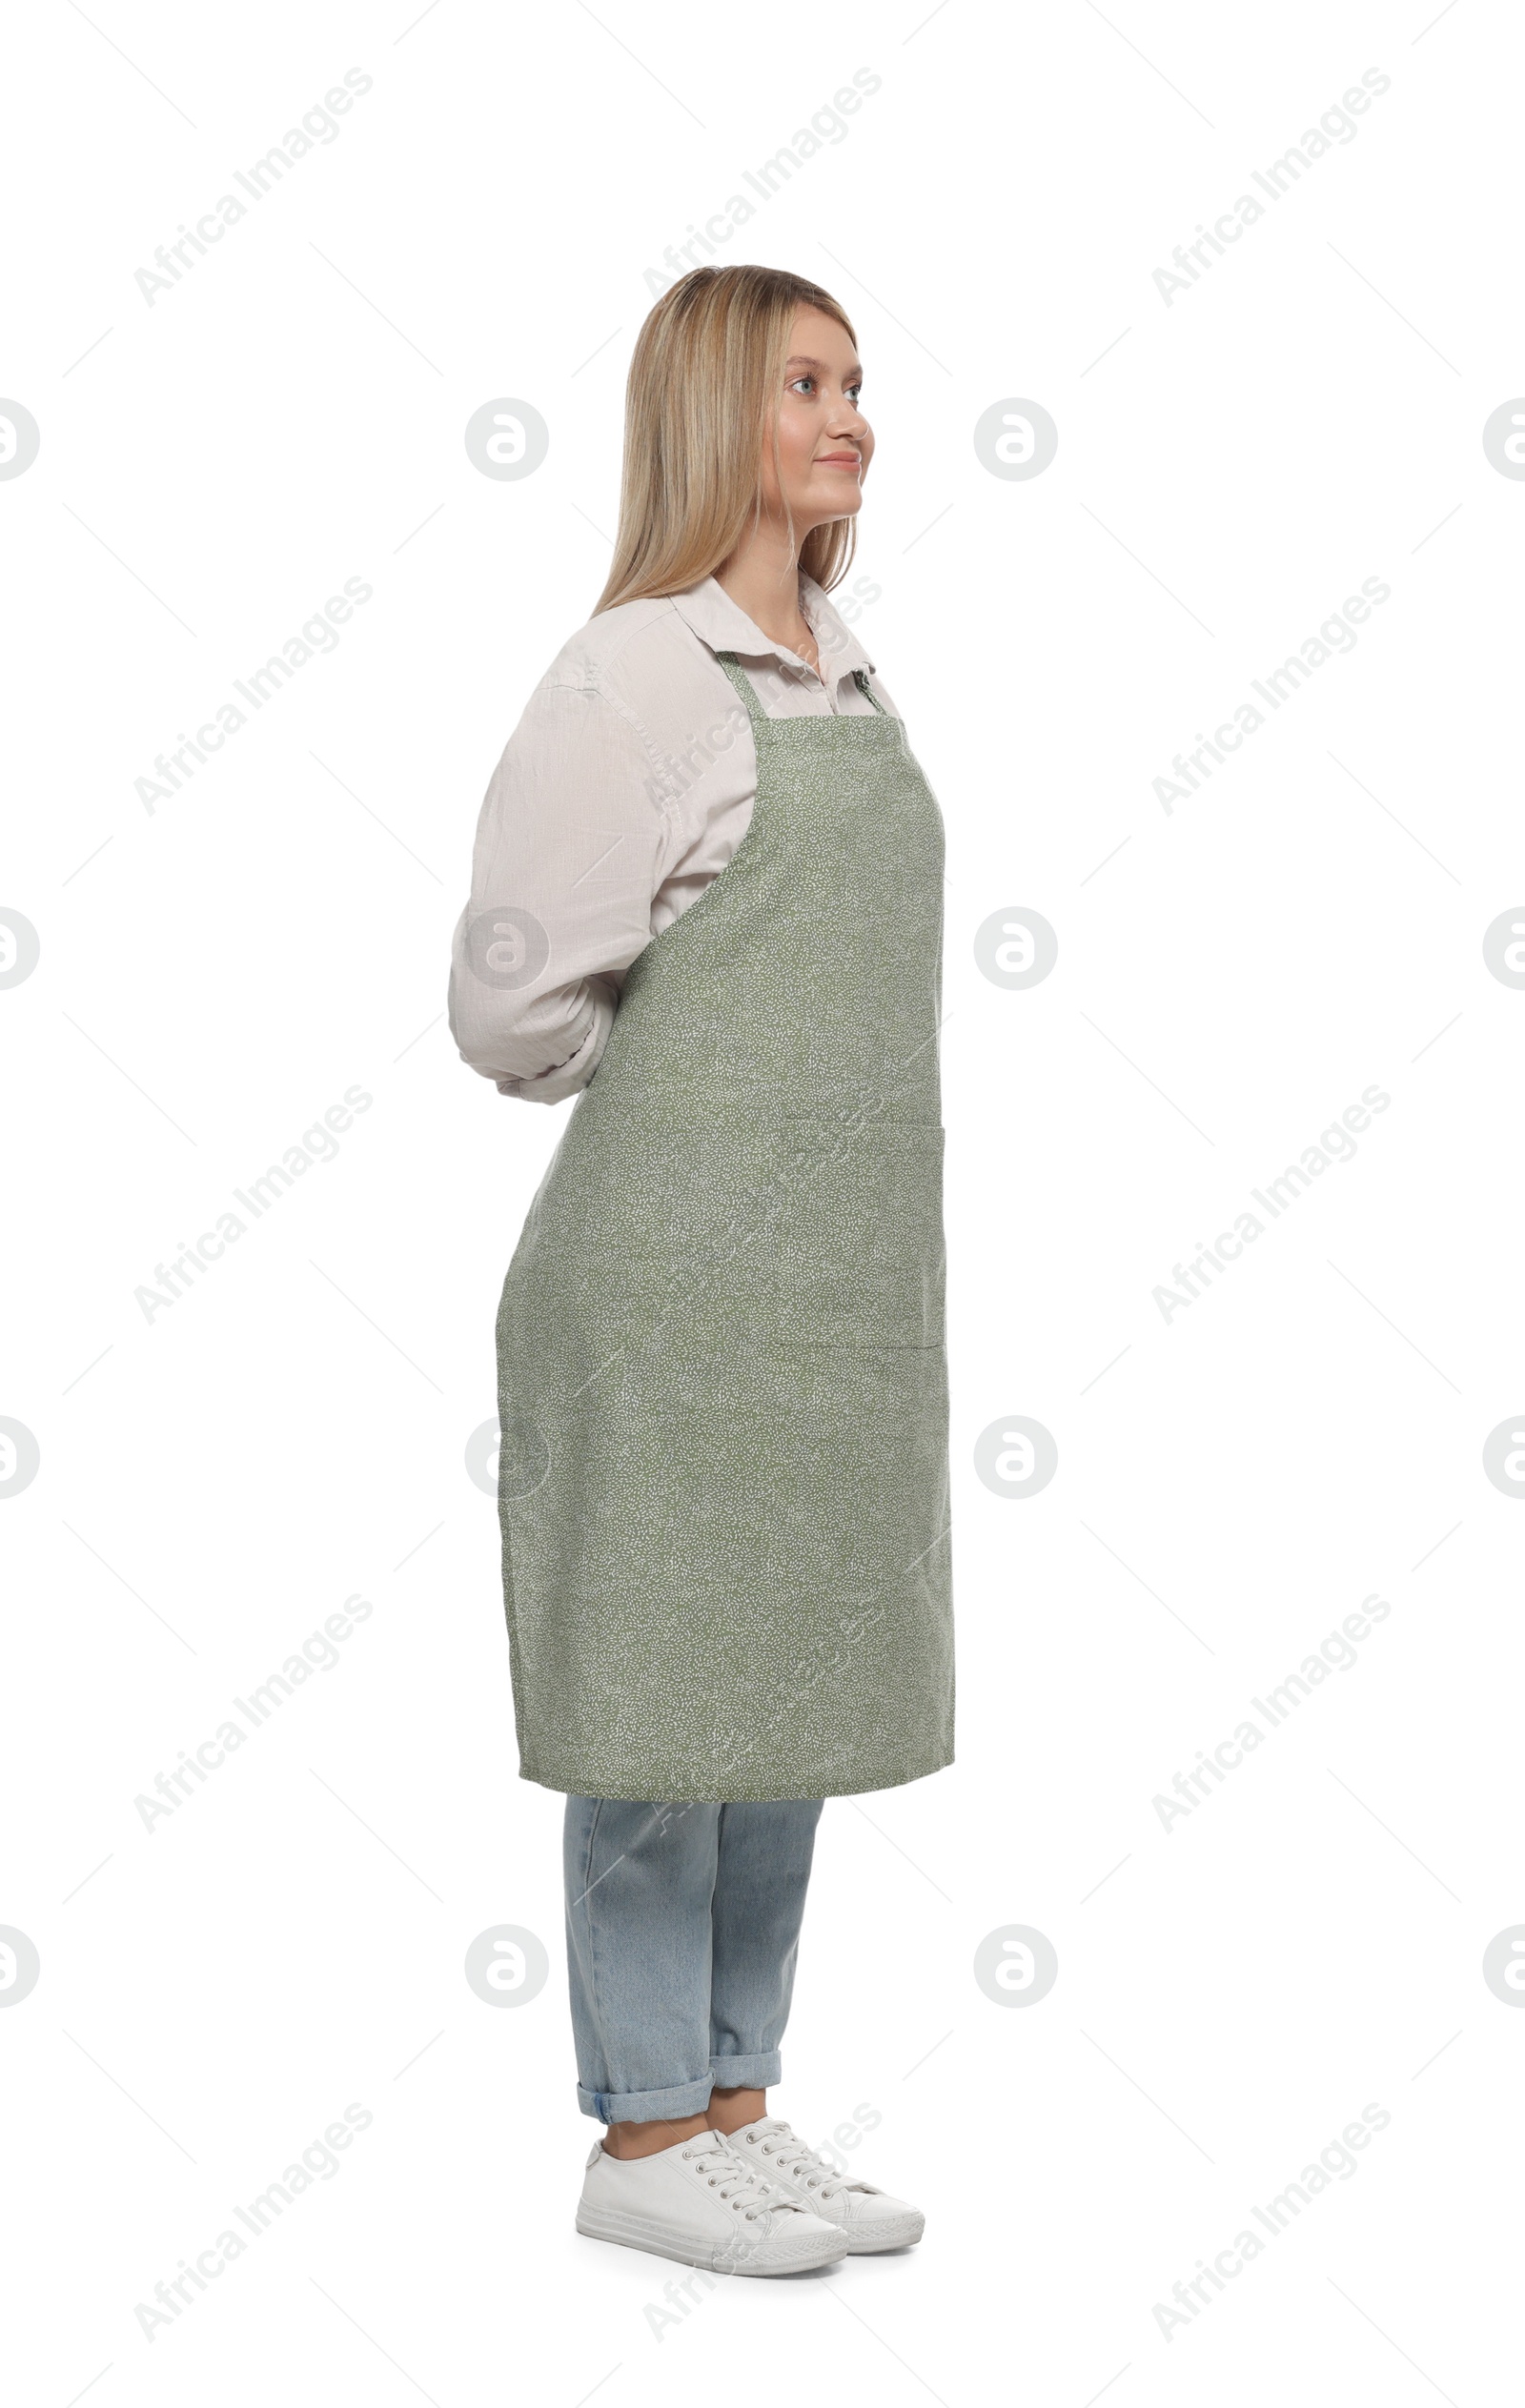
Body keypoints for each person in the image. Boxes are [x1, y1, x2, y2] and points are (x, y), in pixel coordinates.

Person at [448, 263, 954, 2276]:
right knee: (665, 1704)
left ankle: (740, 2099)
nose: (846, 416)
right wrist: (663, 1103)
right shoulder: (635, 675)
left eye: (853, 381)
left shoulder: (837, 667)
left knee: (787, 1688)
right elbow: (509, 1009)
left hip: (833, 1299)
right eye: (801, 382)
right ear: (704, 415)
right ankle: (640, 2124)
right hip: (661, 1289)